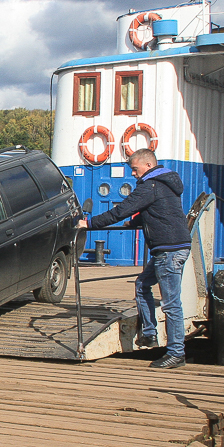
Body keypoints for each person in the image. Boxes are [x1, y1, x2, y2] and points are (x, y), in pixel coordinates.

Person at [77, 148, 191, 368]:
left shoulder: (151, 186)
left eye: (135, 169)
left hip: (168, 250)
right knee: (141, 285)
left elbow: (121, 210)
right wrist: (137, 223)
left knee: (171, 304)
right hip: (170, 247)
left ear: (147, 166)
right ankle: (149, 333)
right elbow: (160, 212)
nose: (134, 174)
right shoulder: (165, 184)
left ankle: (176, 352)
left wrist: (89, 224)